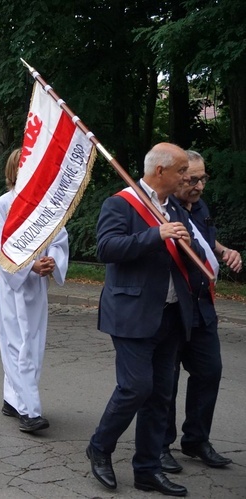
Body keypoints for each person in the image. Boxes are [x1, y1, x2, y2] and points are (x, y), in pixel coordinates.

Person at [86, 143, 206, 497]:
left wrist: (189, 244)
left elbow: (192, 253)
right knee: (136, 387)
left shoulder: (176, 209)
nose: (187, 177)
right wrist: (156, 234)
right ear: (160, 172)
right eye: (182, 171)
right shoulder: (121, 203)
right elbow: (106, 248)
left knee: (161, 395)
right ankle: (100, 446)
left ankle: (148, 469)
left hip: (170, 313)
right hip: (132, 312)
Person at [160, 150, 241, 473]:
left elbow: (206, 238)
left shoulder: (200, 206)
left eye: (202, 178)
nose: (198, 186)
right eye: (191, 179)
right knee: (166, 380)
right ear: (177, 176)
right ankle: (161, 445)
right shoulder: (164, 209)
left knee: (210, 371)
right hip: (173, 307)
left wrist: (223, 250)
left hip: (202, 305)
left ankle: (196, 439)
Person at [0, 149, 69, 433]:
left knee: (32, 343)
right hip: (13, 285)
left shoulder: (48, 206)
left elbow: (59, 240)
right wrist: (27, 266)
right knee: (15, 344)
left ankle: (13, 398)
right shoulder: (3, 205)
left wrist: (51, 262)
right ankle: (29, 410)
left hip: (37, 287)